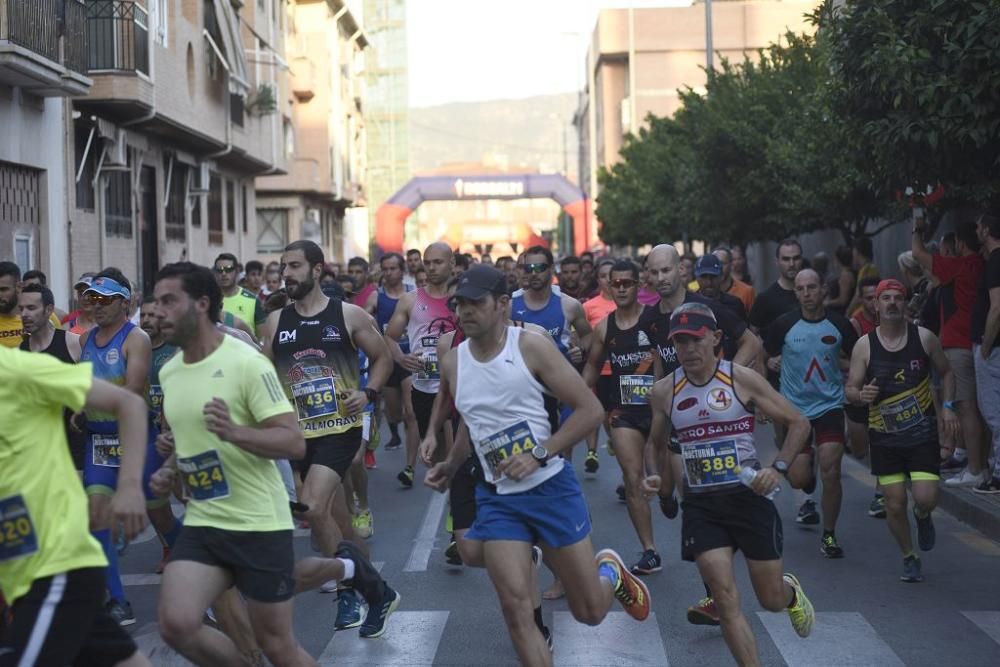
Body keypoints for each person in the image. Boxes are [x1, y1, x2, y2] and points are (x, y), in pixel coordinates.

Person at [152, 262, 399, 666]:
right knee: (176, 623)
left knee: (277, 645)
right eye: (155, 301)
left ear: (200, 304)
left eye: (168, 301)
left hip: (256, 521)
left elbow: (291, 440)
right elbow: (194, 437)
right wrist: (170, 467)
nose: (157, 312)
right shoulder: (172, 370)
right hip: (204, 518)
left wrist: (236, 433)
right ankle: (346, 568)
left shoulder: (245, 363)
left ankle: (346, 568)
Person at [424, 265, 652, 667]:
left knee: (590, 613)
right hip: (497, 499)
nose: (465, 311)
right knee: (516, 612)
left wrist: (540, 453)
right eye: (459, 303)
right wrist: (452, 462)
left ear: (500, 304)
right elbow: (472, 423)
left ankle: (610, 574)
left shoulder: (531, 346)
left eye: (476, 303)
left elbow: (590, 410)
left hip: (549, 489)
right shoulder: (453, 361)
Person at [642, 302, 815, 665]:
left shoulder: (740, 378)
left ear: (716, 338)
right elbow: (655, 444)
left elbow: (799, 422)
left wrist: (778, 467)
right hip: (702, 506)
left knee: (769, 598)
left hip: (749, 498)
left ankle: (791, 595)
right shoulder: (664, 391)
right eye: (680, 342)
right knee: (724, 597)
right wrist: (655, 476)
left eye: (695, 340)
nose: (687, 349)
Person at [0, 345, 152, 667]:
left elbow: (129, 403)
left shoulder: (15, 369)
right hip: (20, 578)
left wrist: (128, 486)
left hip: (57, 567)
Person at [261, 240, 391, 560]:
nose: (286, 274)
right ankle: (371, 581)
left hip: (340, 427)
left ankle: (348, 585)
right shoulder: (276, 322)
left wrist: (368, 392)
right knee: (338, 519)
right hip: (299, 436)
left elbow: (383, 358)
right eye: (283, 267)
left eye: (294, 266)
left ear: (317, 270)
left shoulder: (348, 315)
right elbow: (261, 376)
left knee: (313, 506)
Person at [845, 279, 959, 582]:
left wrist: (948, 405)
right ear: (876, 304)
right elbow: (850, 389)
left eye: (898, 297)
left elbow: (947, 372)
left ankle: (923, 517)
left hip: (922, 436)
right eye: (886, 298)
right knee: (894, 504)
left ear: (906, 303)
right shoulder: (864, 345)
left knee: (925, 498)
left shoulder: (924, 339)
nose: (892, 303)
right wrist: (860, 396)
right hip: (884, 438)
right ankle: (909, 555)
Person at [79, 270, 156, 626]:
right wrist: (79, 411)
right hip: (99, 442)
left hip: (135, 438)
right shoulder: (85, 341)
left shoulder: (135, 338)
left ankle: (212, 572)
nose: (95, 305)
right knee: (96, 515)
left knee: (160, 513)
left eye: (104, 299)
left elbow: (136, 387)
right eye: (91, 298)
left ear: (124, 303)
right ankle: (118, 600)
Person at [764, 270, 857, 557]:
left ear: (822, 290)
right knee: (798, 479)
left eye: (812, 287)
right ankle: (807, 473)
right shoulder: (784, 325)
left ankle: (829, 535)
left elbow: (861, 355)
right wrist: (771, 363)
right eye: (801, 288)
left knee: (832, 470)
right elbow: (763, 354)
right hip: (796, 412)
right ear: (796, 293)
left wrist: (855, 384)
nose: (806, 293)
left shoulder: (839, 324)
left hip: (830, 406)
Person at [584, 260, 662, 574]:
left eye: (627, 283)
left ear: (638, 285)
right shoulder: (605, 327)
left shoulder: (654, 321)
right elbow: (592, 365)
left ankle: (667, 496)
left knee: (667, 486)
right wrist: (577, 395)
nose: (621, 289)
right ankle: (650, 550)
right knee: (633, 478)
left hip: (659, 411)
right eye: (616, 283)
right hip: (625, 411)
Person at [912, 217, 988, 489]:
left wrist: (918, 228)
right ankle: (979, 465)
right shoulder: (981, 264)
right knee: (977, 410)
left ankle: (976, 469)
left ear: (958, 243)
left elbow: (918, 254)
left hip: (958, 345)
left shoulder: (962, 266)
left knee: (966, 408)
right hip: (974, 344)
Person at [384, 242, 458, 487]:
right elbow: (390, 338)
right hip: (424, 386)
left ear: (452, 264)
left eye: (438, 262)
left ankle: (459, 500)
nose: (432, 268)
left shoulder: (464, 299)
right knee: (434, 454)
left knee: (456, 445)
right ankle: (451, 490)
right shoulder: (410, 300)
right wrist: (401, 357)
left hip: (459, 385)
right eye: (428, 263)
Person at [18, 283, 86, 473]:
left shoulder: (72, 343)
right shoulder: (20, 353)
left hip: (75, 450)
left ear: (49, 310)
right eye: (21, 308)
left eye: (31, 308)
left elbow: (94, 387)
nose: (24, 314)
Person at [139, 296, 184, 573]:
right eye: (142, 316)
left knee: (185, 495)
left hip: (177, 433)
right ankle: (172, 545)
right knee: (154, 500)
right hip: (147, 434)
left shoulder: (176, 349)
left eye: (152, 315)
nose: (146, 321)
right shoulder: (134, 347)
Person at [366, 253, 418, 462]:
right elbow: (363, 317)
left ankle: (410, 464)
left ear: (402, 270)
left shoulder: (412, 294)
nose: (388, 273)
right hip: (387, 361)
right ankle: (396, 431)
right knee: (394, 413)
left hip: (408, 359)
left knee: (410, 413)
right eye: (385, 269)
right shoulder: (376, 296)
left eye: (393, 269)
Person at [971, 212, 1000, 493]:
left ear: (987, 229)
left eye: (979, 226)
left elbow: (997, 307)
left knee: (993, 412)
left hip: (994, 349)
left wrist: (986, 346)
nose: (976, 230)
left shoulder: (995, 262)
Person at [213, 253, 266, 337]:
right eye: (220, 270)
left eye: (228, 269)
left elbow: (263, 339)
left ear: (237, 271)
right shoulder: (209, 301)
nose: (224, 273)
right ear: (215, 272)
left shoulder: (253, 300)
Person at [695, 254, 748, 321]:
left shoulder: (734, 304)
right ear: (696, 278)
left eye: (713, 276)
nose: (709, 282)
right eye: (704, 277)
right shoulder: (688, 304)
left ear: (721, 277)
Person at [713, 247, 755, 315]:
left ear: (731, 264)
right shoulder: (699, 286)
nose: (719, 267)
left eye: (723, 263)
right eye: (715, 264)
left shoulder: (746, 291)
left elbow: (753, 322)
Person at [846, 237, 880, 316]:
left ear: (857, 251)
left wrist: (848, 311)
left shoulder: (866, 270)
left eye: (853, 250)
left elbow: (858, 295)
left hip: (863, 312)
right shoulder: (870, 268)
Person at [825, 246, 856, 315]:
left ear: (838, 260)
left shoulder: (846, 276)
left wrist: (827, 303)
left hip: (843, 313)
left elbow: (843, 300)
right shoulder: (849, 273)